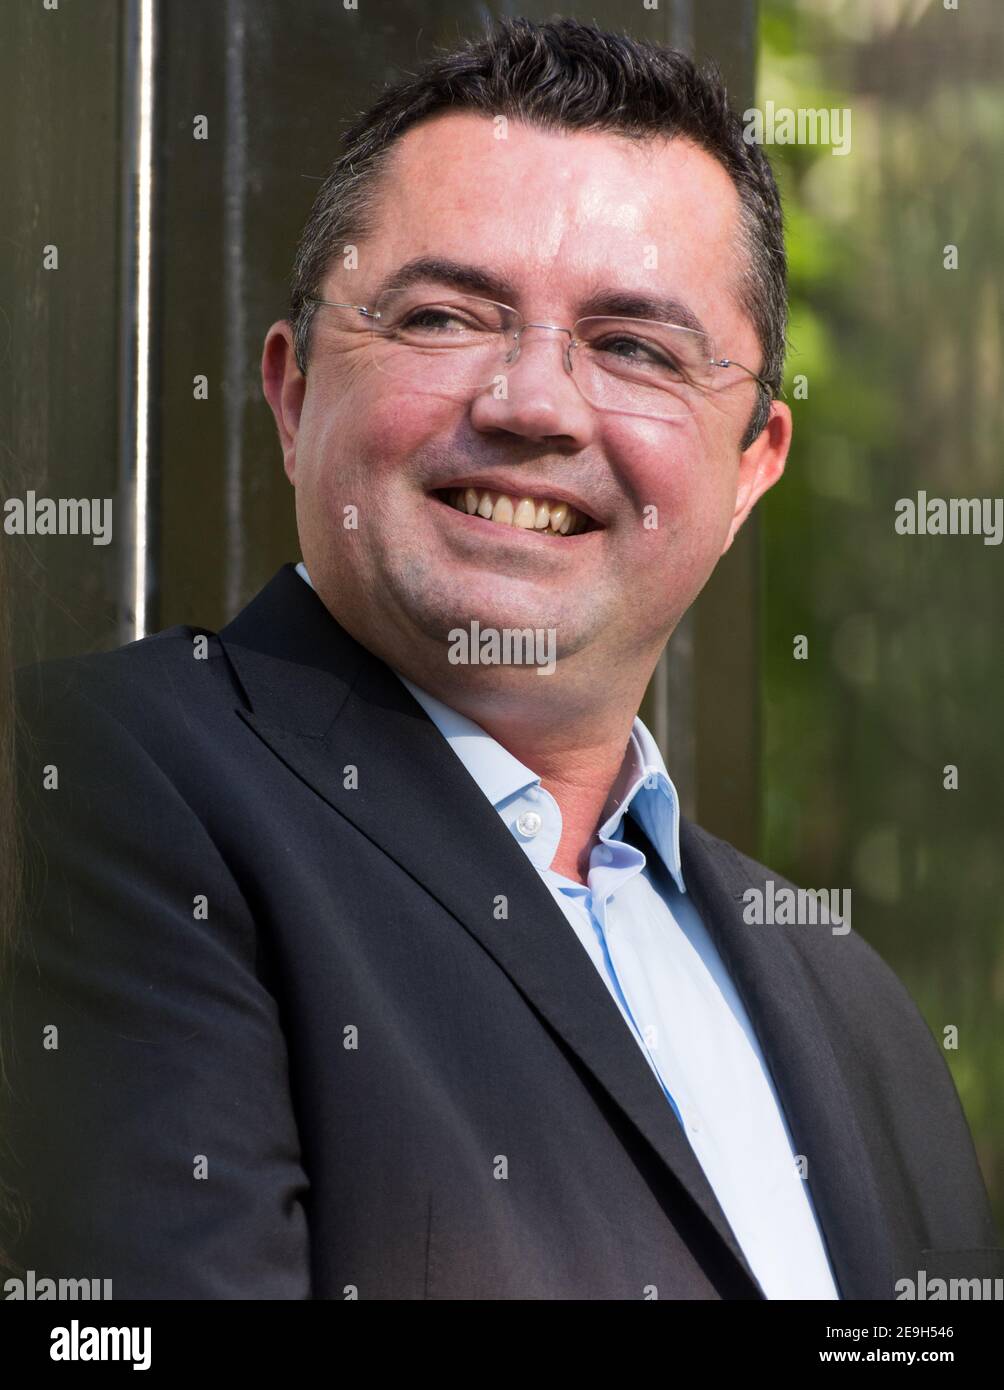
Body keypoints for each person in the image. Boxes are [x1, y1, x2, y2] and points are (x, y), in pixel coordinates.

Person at [2, 16, 998, 1301]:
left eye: (634, 346)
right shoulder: (80, 787)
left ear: (751, 465)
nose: (530, 402)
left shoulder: (856, 1010)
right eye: (443, 317)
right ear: (296, 393)